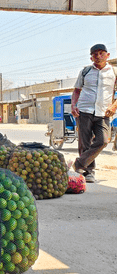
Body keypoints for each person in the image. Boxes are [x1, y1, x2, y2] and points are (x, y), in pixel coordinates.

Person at [71, 44, 117, 183]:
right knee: (85, 142)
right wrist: (73, 105)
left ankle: (79, 163)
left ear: (107, 55)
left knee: (103, 140)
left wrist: (114, 106)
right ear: (91, 57)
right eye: (95, 54)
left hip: (104, 112)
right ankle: (88, 172)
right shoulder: (85, 71)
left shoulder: (114, 72)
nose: (98, 56)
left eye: (101, 53)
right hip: (84, 110)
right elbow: (77, 91)